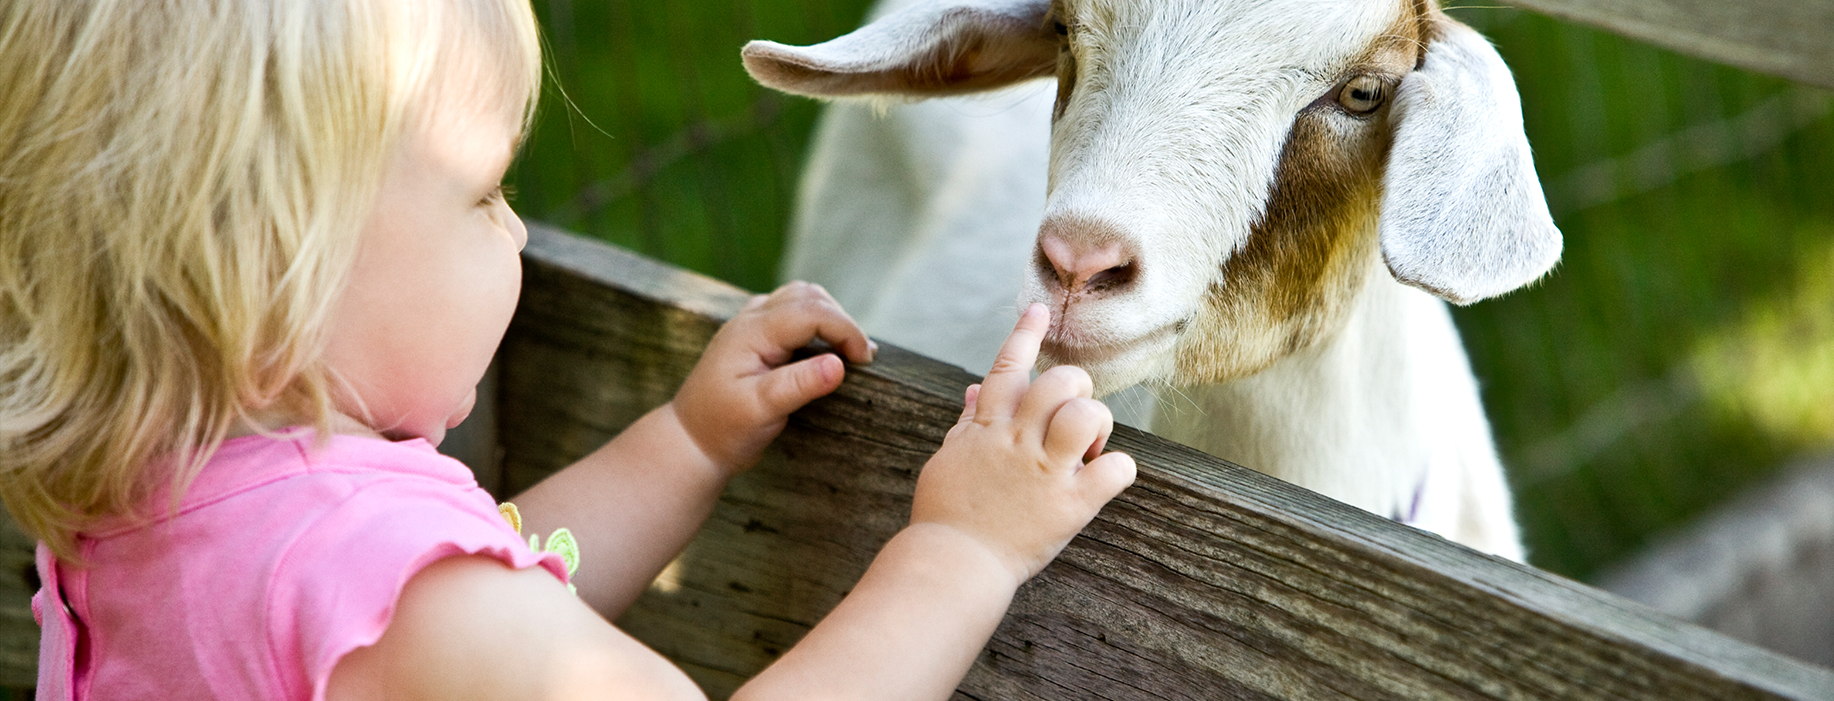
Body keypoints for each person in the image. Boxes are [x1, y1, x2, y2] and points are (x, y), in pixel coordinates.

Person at [0, 0, 1137, 698]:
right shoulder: (388, 591)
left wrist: (682, 444)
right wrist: (959, 549)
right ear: (272, 281)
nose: (518, 229)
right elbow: (468, 618)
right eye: (487, 189)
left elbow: (492, 595)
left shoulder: (170, 499)